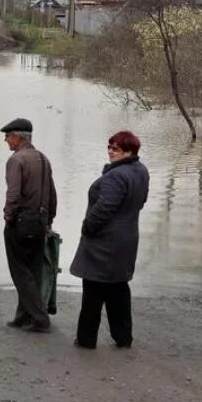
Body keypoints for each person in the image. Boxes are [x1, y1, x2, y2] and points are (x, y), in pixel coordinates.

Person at [70, 130, 150, 349]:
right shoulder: (141, 170)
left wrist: (87, 227)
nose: (111, 152)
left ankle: (86, 340)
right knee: (118, 288)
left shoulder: (116, 175)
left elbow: (104, 208)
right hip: (128, 237)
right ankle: (123, 338)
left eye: (117, 148)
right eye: (110, 147)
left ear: (130, 151)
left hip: (104, 242)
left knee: (94, 290)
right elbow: (141, 200)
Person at [1, 117, 57, 333]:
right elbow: (52, 194)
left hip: (21, 222)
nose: (6, 141)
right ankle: (23, 317)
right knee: (33, 271)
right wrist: (49, 220)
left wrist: (8, 218)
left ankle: (40, 318)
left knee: (20, 272)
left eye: (7, 136)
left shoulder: (16, 160)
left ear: (17, 137)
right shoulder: (43, 159)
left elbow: (13, 194)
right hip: (40, 222)